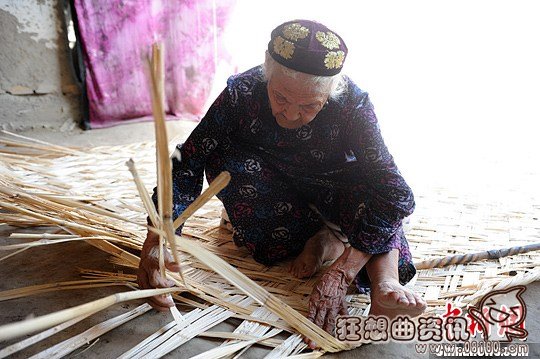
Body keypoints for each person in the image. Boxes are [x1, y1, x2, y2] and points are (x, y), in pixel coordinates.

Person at [138, 19, 426, 348]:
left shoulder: (352, 106)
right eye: (281, 98)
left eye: (309, 106)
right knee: (229, 170)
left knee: (373, 189)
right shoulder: (241, 93)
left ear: (331, 91)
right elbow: (186, 159)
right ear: (267, 71)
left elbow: (396, 193)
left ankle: (383, 283)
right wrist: (160, 234)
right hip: (269, 188)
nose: (290, 115)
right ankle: (324, 238)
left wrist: (342, 271)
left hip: (333, 187)